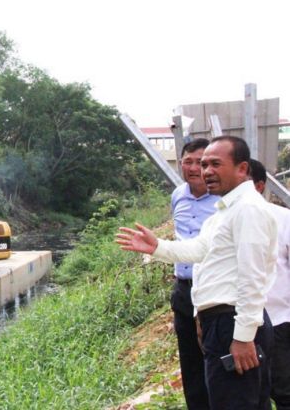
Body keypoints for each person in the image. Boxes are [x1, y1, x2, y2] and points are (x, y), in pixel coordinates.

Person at [116, 135, 277, 410]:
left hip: (233, 324)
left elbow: (253, 276)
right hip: (222, 324)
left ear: (242, 168)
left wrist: (243, 336)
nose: (206, 171)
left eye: (215, 164)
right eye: (203, 165)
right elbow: (201, 250)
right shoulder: (225, 211)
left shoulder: (248, 210)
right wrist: (158, 247)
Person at [171, 138, 220, 410]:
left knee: (214, 359)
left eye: (198, 163)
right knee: (190, 362)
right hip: (183, 290)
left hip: (214, 291)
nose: (193, 168)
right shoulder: (178, 195)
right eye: (187, 162)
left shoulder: (222, 201)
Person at [248, 159, 290, 410]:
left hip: (279, 320)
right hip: (240, 323)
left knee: (283, 390)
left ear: (260, 186)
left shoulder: (283, 219)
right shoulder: (221, 221)